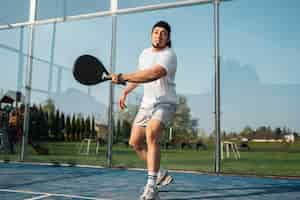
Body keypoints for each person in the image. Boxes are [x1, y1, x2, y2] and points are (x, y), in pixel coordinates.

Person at [111, 21, 177, 200]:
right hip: (147, 104)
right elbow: (140, 76)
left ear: (168, 38)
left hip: (165, 102)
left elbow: (153, 73)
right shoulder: (144, 54)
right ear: (151, 35)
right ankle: (160, 173)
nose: (159, 35)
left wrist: (123, 76)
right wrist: (126, 90)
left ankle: (151, 186)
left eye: (163, 33)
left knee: (152, 133)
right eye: (155, 32)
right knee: (135, 143)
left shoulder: (169, 55)